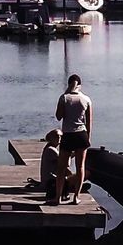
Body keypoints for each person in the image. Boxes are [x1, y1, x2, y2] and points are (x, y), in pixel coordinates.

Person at [53, 73, 93, 205]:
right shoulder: (87, 99)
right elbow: (89, 122)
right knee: (80, 167)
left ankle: (58, 197)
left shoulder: (64, 98)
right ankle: (76, 196)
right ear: (80, 86)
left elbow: (59, 116)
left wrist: (65, 95)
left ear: (68, 84)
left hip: (68, 134)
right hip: (82, 135)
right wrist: (89, 138)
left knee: (61, 168)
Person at [38, 129, 62, 203]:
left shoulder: (49, 148)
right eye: (57, 137)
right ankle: (74, 185)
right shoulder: (51, 150)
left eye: (61, 136)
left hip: (49, 179)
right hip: (50, 182)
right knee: (84, 174)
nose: (60, 138)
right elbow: (65, 163)